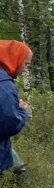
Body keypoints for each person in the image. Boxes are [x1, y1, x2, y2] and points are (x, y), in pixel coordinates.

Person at [0, 41, 32, 176]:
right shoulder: (4, 84)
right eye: (26, 64)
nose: (25, 69)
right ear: (15, 58)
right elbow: (8, 124)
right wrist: (23, 111)